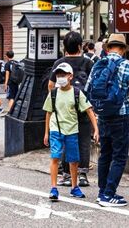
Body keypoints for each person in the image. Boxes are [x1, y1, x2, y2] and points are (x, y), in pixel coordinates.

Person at [87, 33, 129, 207]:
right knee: (119, 156)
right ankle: (108, 194)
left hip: (103, 115)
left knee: (105, 154)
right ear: (123, 49)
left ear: (108, 47)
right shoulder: (128, 66)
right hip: (121, 116)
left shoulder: (98, 64)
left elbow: (88, 88)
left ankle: (102, 192)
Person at [43, 63, 99, 201]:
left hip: (72, 130)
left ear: (70, 76)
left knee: (73, 160)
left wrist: (96, 129)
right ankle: (54, 188)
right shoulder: (54, 93)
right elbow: (48, 113)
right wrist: (46, 133)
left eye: (63, 75)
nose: (60, 77)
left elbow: (89, 110)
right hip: (56, 130)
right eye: (58, 75)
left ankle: (74, 187)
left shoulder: (76, 93)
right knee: (55, 157)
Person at [47, 31, 94, 188]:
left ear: (64, 47)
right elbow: (93, 85)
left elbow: (50, 86)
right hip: (83, 107)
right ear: (81, 46)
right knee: (84, 141)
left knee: (67, 139)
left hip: (64, 110)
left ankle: (67, 175)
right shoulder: (88, 63)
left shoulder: (59, 63)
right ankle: (82, 175)